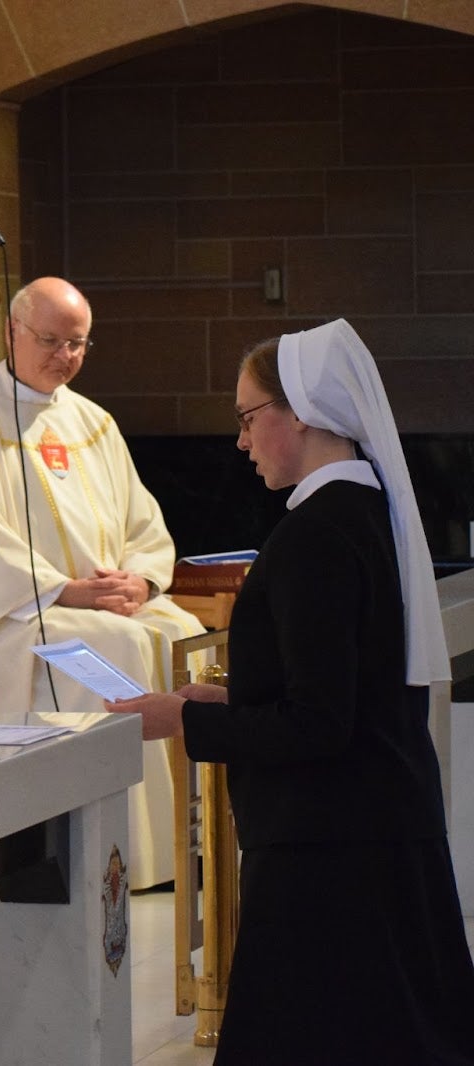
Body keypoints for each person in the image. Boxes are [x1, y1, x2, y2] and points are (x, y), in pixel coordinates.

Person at [109, 321, 474, 1063]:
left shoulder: (315, 534)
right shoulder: (369, 515)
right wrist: (232, 699)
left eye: (247, 419)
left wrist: (186, 719)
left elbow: (318, 724)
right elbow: (352, 678)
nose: (241, 443)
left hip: (329, 858)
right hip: (375, 829)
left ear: (298, 411)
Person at [0, 276, 204, 888]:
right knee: (106, 647)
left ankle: (178, 847)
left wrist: (141, 581)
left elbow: (144, 523)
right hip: (15, 616)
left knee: (184, 634)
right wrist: (60, 590)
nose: (64, 356)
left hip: (106, 606)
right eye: (50, 340)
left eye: (78, 344)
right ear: (11, 332)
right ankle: (109, 854)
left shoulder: (94, 422)